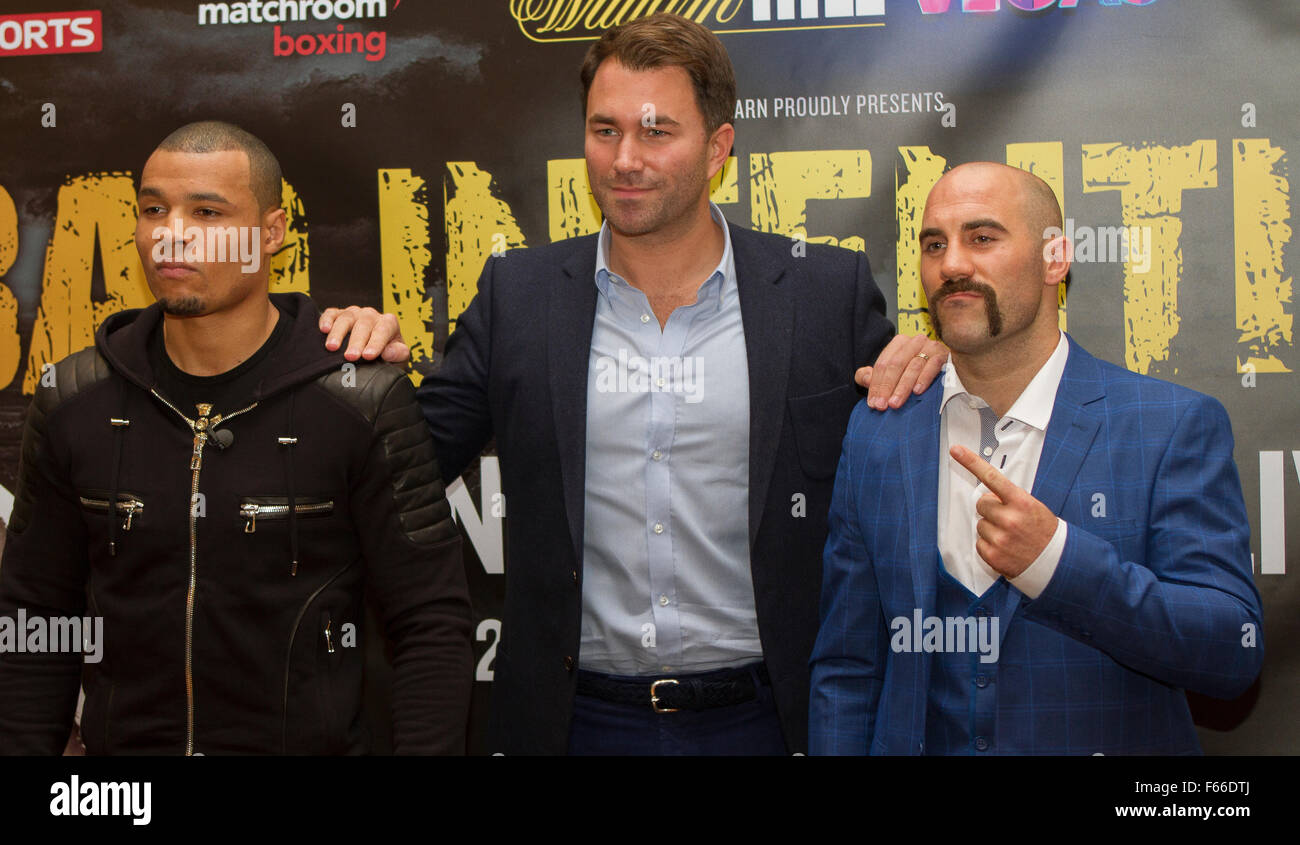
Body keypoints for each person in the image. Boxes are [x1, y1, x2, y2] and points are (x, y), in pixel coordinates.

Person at [322, 14, 946, 755]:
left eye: (656, 132)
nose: (624, 159)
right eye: (605, 129)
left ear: (718, 147)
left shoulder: (821, 292)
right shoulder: (517, 296)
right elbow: (407, 471)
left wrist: (934, 364)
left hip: (773, 719)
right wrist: (365, 380)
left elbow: (907, 468)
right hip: (572, 721)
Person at [0, 121, 473, 755]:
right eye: (153, 209)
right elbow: (36, 621)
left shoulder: (360, 400)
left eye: (207, 212)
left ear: (271, 232)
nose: (172, 234)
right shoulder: (73, 399)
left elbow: (431, 626)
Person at [809, 162, 1264, 755]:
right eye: (934, 245)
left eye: (983, 238)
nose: (952, 265)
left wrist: (1056, 561)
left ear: (1056, 259)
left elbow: (1232, 651)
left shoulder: (1170, 426)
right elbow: (848, 666)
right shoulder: (880, 432)